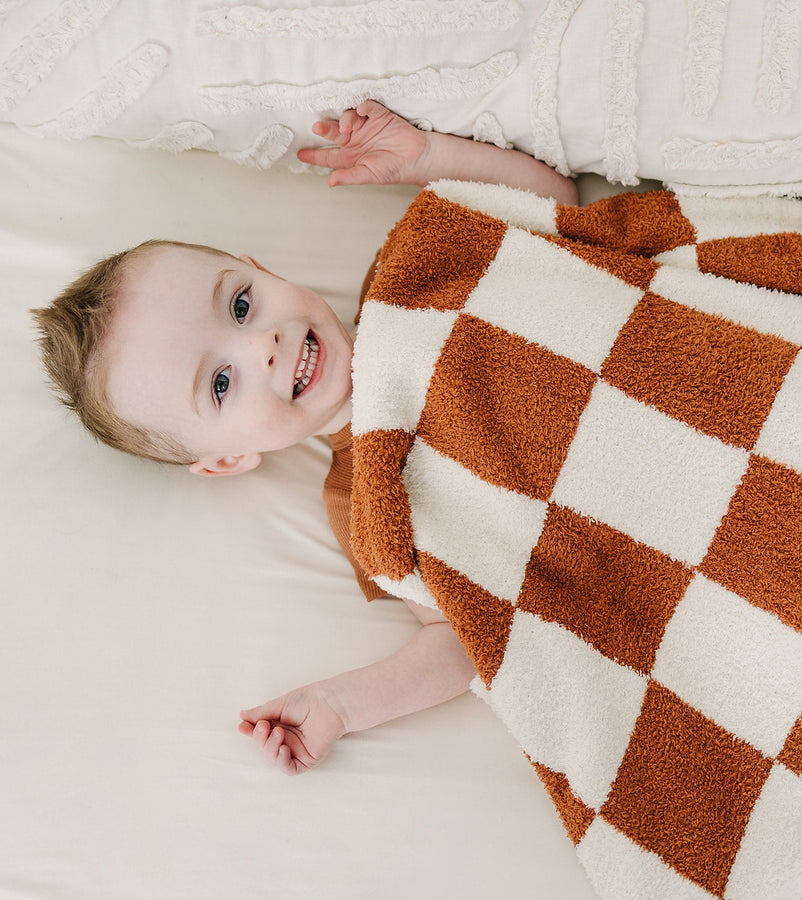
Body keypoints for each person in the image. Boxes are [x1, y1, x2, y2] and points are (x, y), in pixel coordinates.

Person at [32, 100, 578, 775]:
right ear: (228, 458)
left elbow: (556, 210)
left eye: (240, 305)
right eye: (221, 384)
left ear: (262, 268)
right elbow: (466, 634)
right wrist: (342, 706)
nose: (262, 346)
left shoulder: (416, 274)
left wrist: (431, 160)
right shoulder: (365, 503)